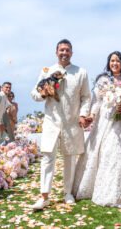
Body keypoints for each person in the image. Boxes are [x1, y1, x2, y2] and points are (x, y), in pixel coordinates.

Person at [73, 51, 121, 207]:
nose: (114, 63)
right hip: (107, 122)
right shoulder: (103, 81)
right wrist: (91, 116)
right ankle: (101, 187)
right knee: (108, 151)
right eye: (112, 61)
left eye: (117, 60)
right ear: (109, 63)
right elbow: (96, 101)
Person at [31, 39, 91, 209]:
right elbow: (34, 93)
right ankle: (44, 196)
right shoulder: (47, 71)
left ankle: (68, 193)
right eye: (61, 50)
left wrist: (82, 114)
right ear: (56, 52)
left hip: (72, 123)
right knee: (47, 157)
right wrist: (43, 93)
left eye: (67, 50)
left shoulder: (81, 72)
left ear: (72, 52)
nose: (64, 53)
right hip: (51, 121)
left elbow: (86, 97)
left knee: (70, 158)